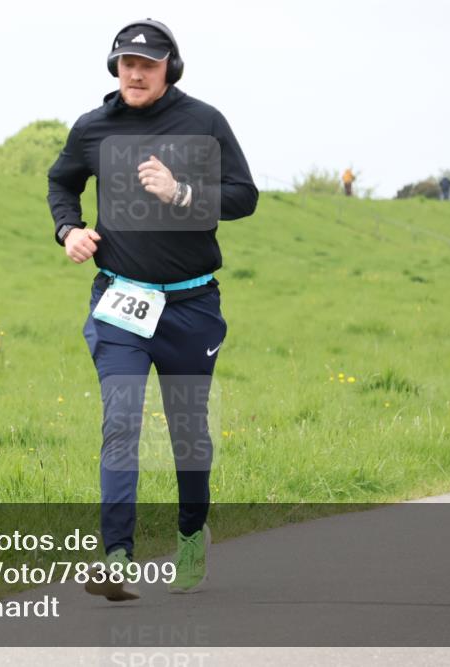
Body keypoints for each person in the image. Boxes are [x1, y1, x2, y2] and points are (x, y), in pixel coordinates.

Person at [48, 19, 257, 601]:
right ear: (115, 67)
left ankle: (192, 532)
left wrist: (181, 193)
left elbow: (245, 197)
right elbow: (61, 182)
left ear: (171, 67)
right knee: (121, 422)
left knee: (188, 431)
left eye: (147, 63)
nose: (135, 73)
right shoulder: (93, 128)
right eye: (125, 63)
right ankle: (116, 556)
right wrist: (68, 229)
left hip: (191, 303)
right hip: (121, 301)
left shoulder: (204, 123)